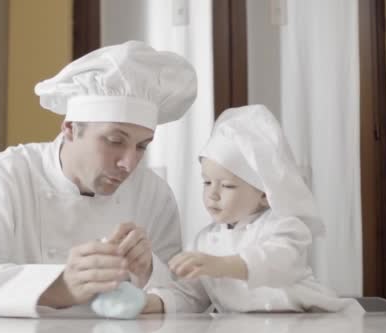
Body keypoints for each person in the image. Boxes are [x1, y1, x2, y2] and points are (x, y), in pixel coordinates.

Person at [0, 41, 197, 317]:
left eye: (142, 146)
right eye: (115, 140)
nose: (129, 163)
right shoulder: (6, 175)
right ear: (70, 128)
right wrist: (61, 285)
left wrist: (149, 270)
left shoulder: (154, 194)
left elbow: (190, 297)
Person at [144, 105, 363, 314]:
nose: (213, 194)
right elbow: (191, 296)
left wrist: (221, 265)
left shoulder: (286, 227)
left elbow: (275, 261)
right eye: (207, 182)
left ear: (265, 195)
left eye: (227, 185)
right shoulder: (204, 242)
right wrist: (151, 303)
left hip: (308, 323)